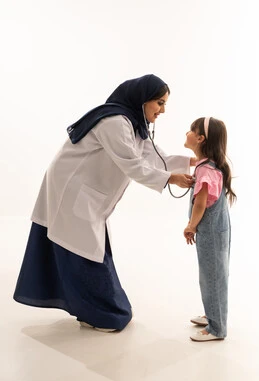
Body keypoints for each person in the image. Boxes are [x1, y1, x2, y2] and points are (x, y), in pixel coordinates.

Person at [13, 74, 194, 332]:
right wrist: (170, 178)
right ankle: (101, 314)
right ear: (143, 99)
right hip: (71, 191)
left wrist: (191, 163)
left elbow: (154, 157)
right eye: (159, 103)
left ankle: (91, 310)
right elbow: (132, 164)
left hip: (84, 195)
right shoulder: (115, 122)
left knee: (81, 247)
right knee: (81, 250)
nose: (163, 110)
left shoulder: (133, 124)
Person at [183, 117, 236, 341]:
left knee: (211, 277)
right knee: (215, 275)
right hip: (219, 231)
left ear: (200, 138)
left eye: (190, 130)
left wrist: (191, 226)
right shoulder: (210, 165)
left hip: (210, 233)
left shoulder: (205, 171)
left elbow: (201, 204)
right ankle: (213, 315)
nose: (186, 132)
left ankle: (216, 328)